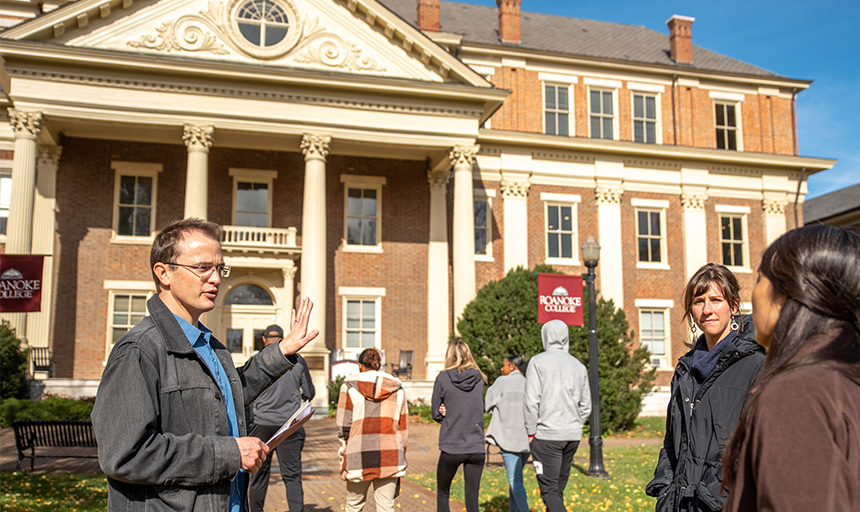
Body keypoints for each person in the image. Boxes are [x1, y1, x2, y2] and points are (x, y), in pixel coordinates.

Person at [91, 218, 318, 512]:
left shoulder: (209, 344)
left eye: (219, 269)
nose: (215, 278)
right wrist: (229, 453)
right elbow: (125, 455)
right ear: (164, 273)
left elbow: (227, 395)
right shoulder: (139, 350)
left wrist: (281, 351)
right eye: (202, 268)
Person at [722, 225, 860, 512]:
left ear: (786, 295)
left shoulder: (797, 394)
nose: (753, 295)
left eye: (759, 279)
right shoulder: (842, 378)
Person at [645, 263, 765, 512]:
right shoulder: (685, 369)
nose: (707, 310)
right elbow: (672, 440)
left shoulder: (756, 364)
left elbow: (755, 447)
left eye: (716, 299)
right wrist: (665, 489)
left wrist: (711, 496)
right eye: (699, 301)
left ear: (733, 305)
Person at [524, 319, 591, 512]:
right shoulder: (578, 366)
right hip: (572, 436)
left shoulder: (537, 362)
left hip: (546, 436)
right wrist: (576, 423)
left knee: (549, 491)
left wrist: (531, 432)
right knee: (558, 489)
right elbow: (586, 405)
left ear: (545, 336)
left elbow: (530, 401)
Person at [248, 324, 316, 512]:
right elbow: (309, 392)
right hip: (290, 425)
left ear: (263, 339)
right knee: (292, 476)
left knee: (258, 475)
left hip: (262, 424)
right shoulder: (298, 361)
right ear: (282, 338)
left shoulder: (256, 361)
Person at [336, 348, 408, 512]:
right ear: (379, 365)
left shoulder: (349, 386)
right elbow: (403, 429)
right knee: (385, 507)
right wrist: (401, 454)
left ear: (360, 365)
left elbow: (343, 426)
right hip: (390, 454)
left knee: (353, 506)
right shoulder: (397, 387)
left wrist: (344, 453)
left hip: (357, 453)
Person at [432, 339, 487, 512]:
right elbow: (473, 405)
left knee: (443, 493)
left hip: (452, 446)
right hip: (476, 446)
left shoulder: (442, 378)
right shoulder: (479, 378)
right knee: (472, 499)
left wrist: (445, 414)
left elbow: (435, 413)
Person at [485, 354, 530, 512]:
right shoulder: (529, 383)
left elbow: (488, 405)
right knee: (516, 479)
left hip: (508, 437)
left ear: (512, 366)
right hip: (526, 440)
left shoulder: (501, 382)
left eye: (504, 366)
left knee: (515, 479)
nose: (501, 369)